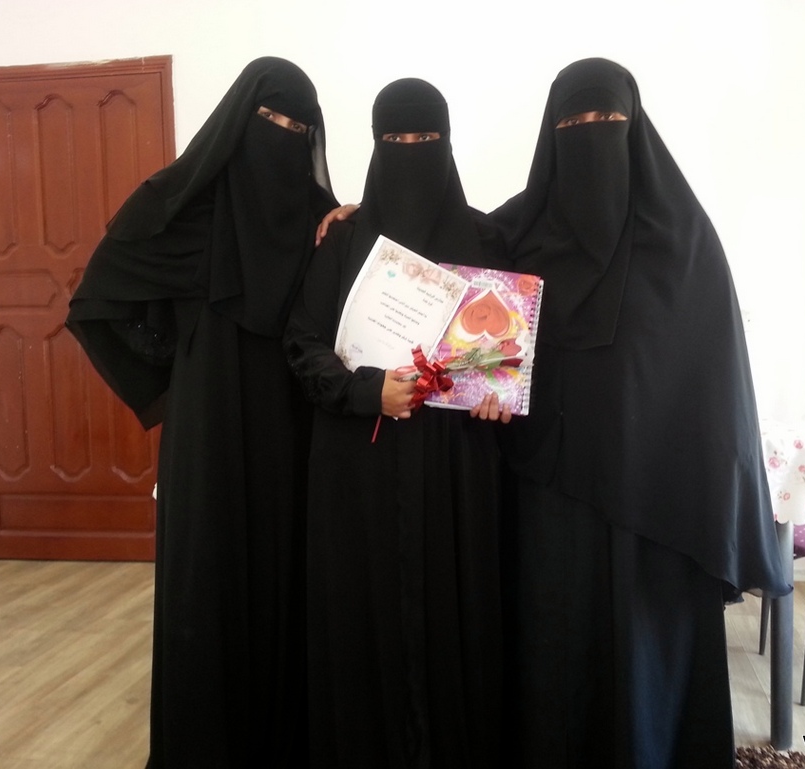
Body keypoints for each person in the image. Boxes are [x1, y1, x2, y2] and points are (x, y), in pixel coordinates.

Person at [490, 58, 790, 769]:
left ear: (636, 127)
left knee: (644, 668)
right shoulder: (517, 233)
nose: (591, 136)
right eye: (574, 123)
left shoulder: (683, 242)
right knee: (555, 648)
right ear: (551, 135)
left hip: (654, 509)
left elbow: (717, 384)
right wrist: (352, 221)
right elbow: (440, 250)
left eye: (607, 120)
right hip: (551, 495)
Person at [66, 57, 338, 768]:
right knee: (210, 581)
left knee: (287, 577)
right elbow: (99, 295)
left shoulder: (318, 221)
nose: (283, 137)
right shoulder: (182, 208)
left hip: (293, 426)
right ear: (238, 122)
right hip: (208, 425)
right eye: (271, 120)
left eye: (299, 128)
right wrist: (169, 372)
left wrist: (351, 224)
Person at [284, 78, 508, 768]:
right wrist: (365, 392)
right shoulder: (344, 241)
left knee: (453, 614)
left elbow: (508, 352)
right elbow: (303, 345)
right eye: (396, 139)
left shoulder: (486, 238)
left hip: (456, 467)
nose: (411, 151)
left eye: (426, 138)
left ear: (447, 142)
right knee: (365, 614)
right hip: (361, 467)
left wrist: (496, 392)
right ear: (376, 146)